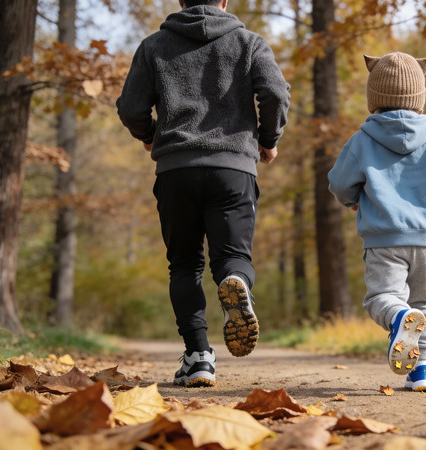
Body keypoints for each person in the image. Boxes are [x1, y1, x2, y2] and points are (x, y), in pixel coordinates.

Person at [116, 0, 290, 387]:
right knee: (232, 258)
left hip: (177, 170)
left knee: (184, 265)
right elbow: (275, 93)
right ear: (225, 0)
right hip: (234, 168)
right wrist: (268, 138)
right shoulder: (250, 42)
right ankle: (237, 284)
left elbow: (130, 107)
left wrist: (149, 135)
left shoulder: (153, 46)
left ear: (180, 1)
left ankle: (197, 357)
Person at [328, 52, 426, 391]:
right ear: (418, 96)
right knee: (424, 303)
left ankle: (397, 318)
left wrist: (352, 199)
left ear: (374, 97)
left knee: (382, 298)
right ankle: (423, 370)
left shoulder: (362, 140)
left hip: (383, 238)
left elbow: (338, 182)